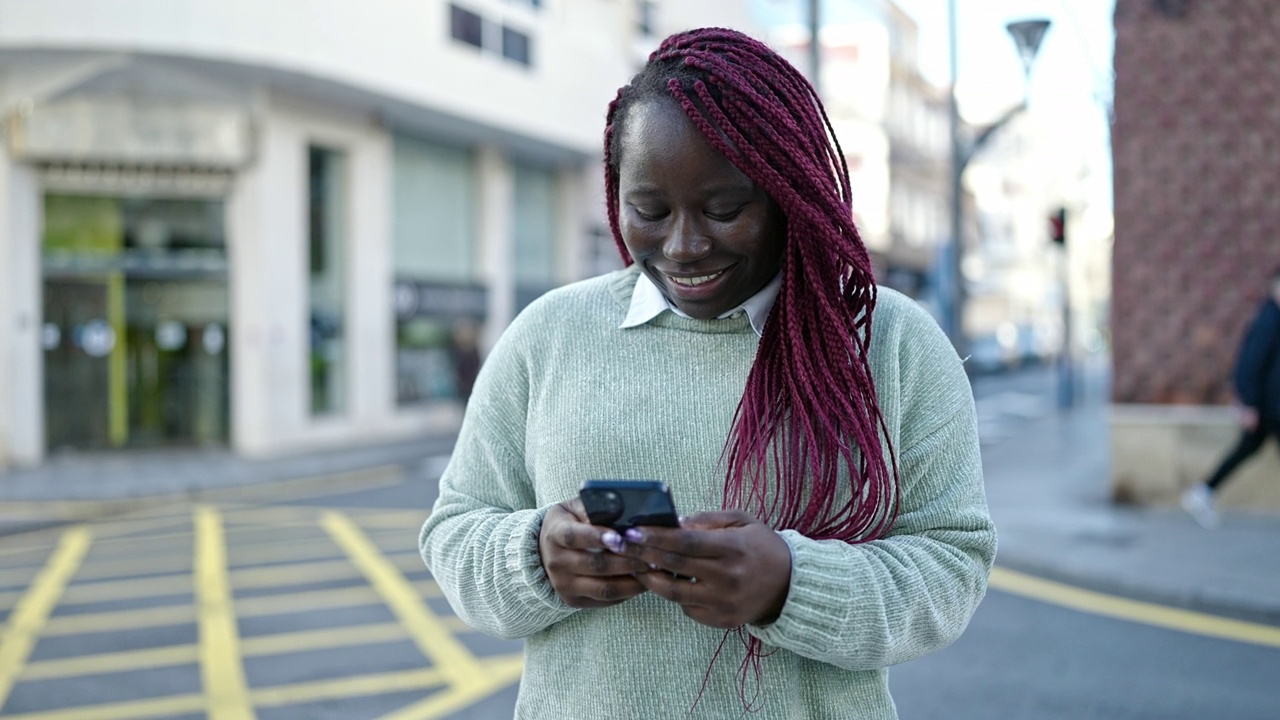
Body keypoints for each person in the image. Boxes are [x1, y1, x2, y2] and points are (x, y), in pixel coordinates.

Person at [419, 28, 994, 719]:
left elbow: (950, 566)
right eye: (650, 211)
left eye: (726, 210)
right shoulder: (549, 334)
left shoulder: (889, 342)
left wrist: (789, 584)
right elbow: (454, 530)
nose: (685, 246)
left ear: (790, 191)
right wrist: (535, 556)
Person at [1182, 267, 1280, 529]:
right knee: (1246, 449)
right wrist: (1248, 403)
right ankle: (1202, 492)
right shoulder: (1269, 320)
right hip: (1270, 406)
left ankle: (1203, 492)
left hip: (1269, 405)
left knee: (1246, 448)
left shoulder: (1273, 317)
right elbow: (1249, 364)